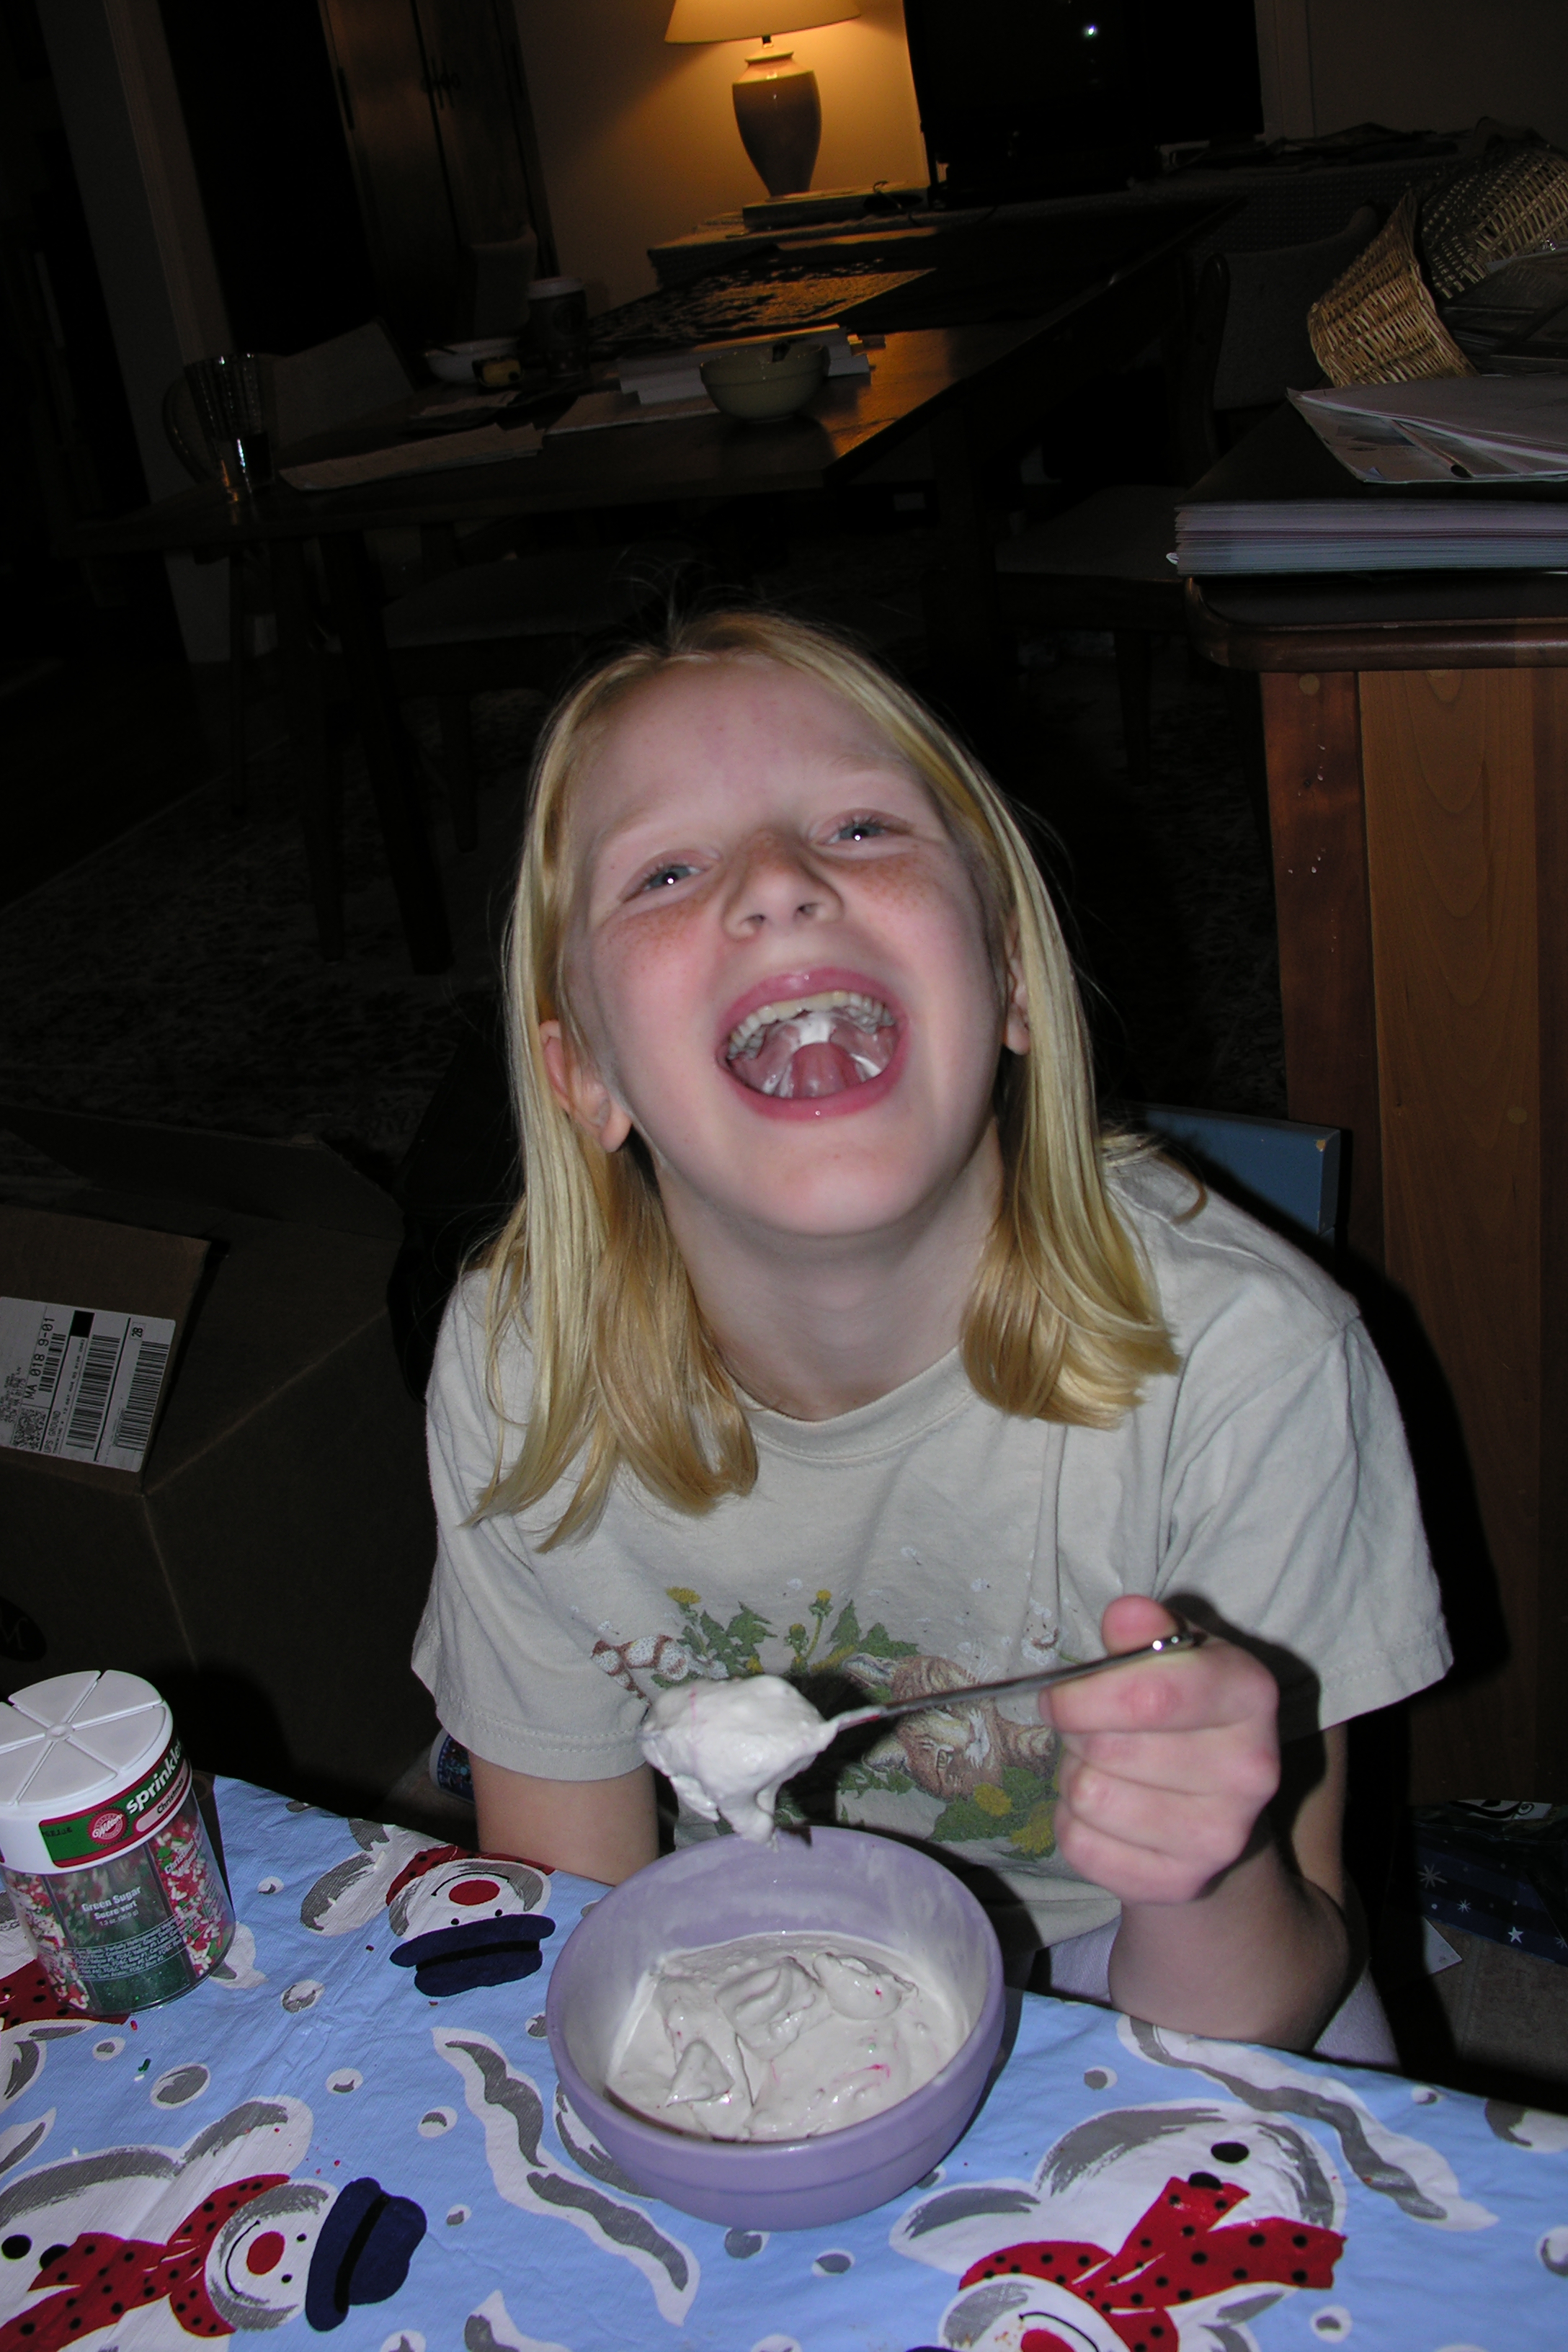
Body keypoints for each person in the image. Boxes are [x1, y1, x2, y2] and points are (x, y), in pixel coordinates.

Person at [414, 610, 1449, 2055]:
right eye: (666, 871)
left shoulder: (1250, 1363)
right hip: (752, 1927)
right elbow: (580, 1909)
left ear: (1010, 975)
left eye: (858, 828)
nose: (777, 884)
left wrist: (1201, 1872)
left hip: (1136, 1960)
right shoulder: (526, 1371)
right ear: (583, 1071)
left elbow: (1260, 2012)